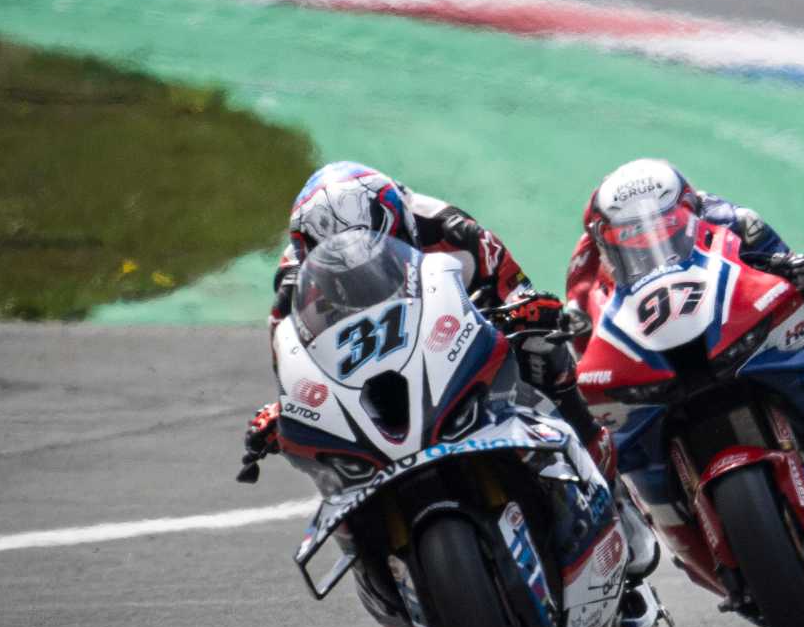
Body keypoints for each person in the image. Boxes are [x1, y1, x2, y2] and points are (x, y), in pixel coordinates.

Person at [564, 160, 804, 502]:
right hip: (652, 356)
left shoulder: (731, 217)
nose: (648, 239)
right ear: (601, 235)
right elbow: (582, 344)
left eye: (664, 224)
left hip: (722, 327)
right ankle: (635, 510)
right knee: (600, 431)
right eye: (630, 234)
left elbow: (786, 263)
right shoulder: (585, 268)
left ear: (689, 209)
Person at [241, 162, 603, 474]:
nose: (364, 280)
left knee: (542, 350)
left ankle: (598, 460)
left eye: (373, 260)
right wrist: (286, 410)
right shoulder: (293, 285)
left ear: (400, 228)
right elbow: (292, 367)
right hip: (368, 379)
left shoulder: (451, 230)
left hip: (452, 346)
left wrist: (527, 310)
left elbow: (521, 295)